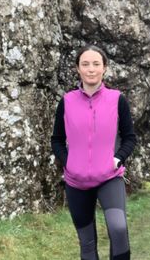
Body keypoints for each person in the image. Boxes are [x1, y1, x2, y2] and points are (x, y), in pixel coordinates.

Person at [51, 45, 137, 260]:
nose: (91, 69)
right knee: (87, 242)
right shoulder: (67, 101)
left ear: (104, 68)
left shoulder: (117, 99)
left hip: (109, 177)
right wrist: (69, 162)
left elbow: (129, 137)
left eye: (96, 64)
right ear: (77, 69)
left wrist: (117, 159)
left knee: (118, 229)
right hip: (76, 181)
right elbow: (57, 140)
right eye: (85, 64)